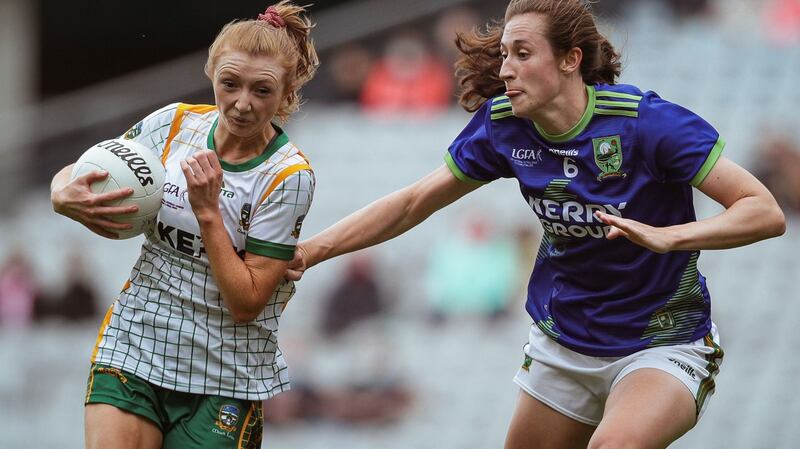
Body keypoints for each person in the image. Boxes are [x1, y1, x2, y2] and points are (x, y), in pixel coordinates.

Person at [286, 1, 786, 448]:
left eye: (522, 54)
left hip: (662, 343)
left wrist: (669, 237)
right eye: (504, 54)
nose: (505, 70)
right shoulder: (505, 124)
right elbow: (414, 201)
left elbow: (763, 210)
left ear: (570, 59)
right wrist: (312, 250)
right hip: (564, 345)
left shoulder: (646, 124)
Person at [49, 2, 318, 448]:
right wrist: (61, 193)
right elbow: (88, 169)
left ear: (287, 93)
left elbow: (247, 302)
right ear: (211, 71)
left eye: (262, 90)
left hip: (225, 373)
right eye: (229, 83)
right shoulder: (172, 125)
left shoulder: (289, 177)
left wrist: (208, 212)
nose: (242, 103)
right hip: (136, 344)